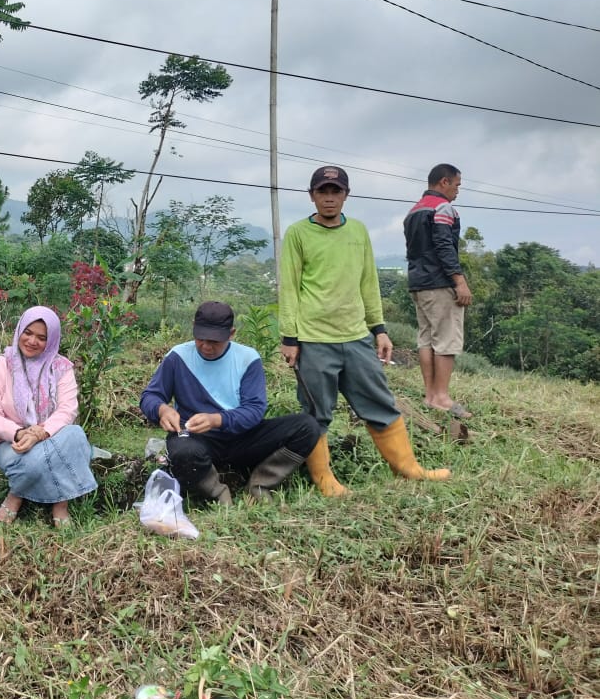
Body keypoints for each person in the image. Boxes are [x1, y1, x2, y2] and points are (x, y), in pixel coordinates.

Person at [279, 165, 452, 497]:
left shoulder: (358, 231)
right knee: (317, 412)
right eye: (323, 191)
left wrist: (379, 329)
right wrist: (290, 338)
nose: (329, 198)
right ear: (312, 195)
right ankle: (324, 480)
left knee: (379, 402)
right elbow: (289, 287)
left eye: (336, 191)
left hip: (357, 336)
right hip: (314, 339)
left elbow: (368, 283)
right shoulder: (298, 233)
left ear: (346, 195)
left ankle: (408, 469)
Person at [140, 301, 320, 503]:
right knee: (182, 451)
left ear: (232, 333)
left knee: (307, 427)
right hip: (196, 438)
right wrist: (162, 410)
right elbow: (150, 396)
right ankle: (217, 493)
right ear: (193, 327)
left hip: (243, 438)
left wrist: (217, 420)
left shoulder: (248, 358)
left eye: (214, 341)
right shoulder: (177, 357)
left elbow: (255, 410)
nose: (206, 346)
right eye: (200, 338)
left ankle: (260, 484)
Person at [0, 306, 97, 527]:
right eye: (28, 333)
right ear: (19, 331)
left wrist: (40, 433)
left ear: (51, 340)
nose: (32, 341)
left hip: (52, 437)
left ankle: (33, 497)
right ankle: (31, 494)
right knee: (45, 459)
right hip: (11, 443)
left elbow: (67, 409)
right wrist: (19, 433)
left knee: (75, 434)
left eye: (42, 338)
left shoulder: (61, 368)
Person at [404, 164, 472, 419]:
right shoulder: (442, 208)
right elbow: (444, 246)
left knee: (426, 339)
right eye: (456, 185)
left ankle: (430, 395)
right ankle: (441, 397)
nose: (457, 191)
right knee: (446, 340)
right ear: (444, 181)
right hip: (439, 283)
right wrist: (459, 281)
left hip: (418, 283)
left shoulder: (414, 210)